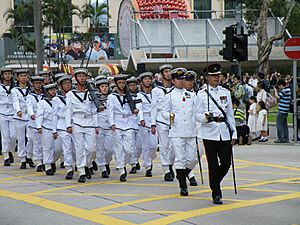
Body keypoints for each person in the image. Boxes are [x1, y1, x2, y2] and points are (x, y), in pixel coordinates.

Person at [196, 64, 237, 205]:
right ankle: (216, 193)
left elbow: (230, 114)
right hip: (209, 132)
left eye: (218, 75)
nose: (216, 78)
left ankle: (214, 183)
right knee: (213, 165)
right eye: (213, 76)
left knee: (226, 163)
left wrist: (234, 133)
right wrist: (205, 117)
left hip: (224, 132)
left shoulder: (225, 92)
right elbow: (197, 116)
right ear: (207, 77)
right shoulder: (201, 94)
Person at [162, 68, 198, 196]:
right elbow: (163, 113)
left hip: (191, 131)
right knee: (181, 159)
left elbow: (196, 111)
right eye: (178, 79)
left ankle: (182, 174)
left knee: (193, 158)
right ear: (173, 80)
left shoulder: (191, 95)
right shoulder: (169, 96)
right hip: (177, 131)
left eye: (183, 79)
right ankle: (183, 186)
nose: (181, 81)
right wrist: (169, 116)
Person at [65, 68, 99, 183]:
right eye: (79, 76)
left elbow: (95, 109)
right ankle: (81, 171)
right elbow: (68, 110)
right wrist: (68, 125)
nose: (82, 78)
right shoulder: (70, 94)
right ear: (75, 78)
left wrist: (97, 124)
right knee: (79, 148)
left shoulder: (91, 93)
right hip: (77, 121)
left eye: (84, 76)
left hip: (89, 122)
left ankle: (87, 164)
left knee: (91, 149)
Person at [107, 74, 140, 182]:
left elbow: (135, 108)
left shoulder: (129, 95)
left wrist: (135, 111)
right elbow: (110, 111)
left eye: (123, 83)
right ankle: (122, 169)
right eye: (119, 83)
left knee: (129, 150)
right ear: (116, 84)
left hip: (128, 123)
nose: (121, 85)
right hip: (117, 123)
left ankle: (123, 163)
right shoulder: (112, 97)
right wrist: (112, 123)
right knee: (119, 148)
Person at [151, 64, 175, 182]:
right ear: (161, 75)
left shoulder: (175, 89)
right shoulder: (156, 90)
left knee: (174, 146)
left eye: (170, 71)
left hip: (174, 121)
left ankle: (170, 163)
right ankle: (166, 169)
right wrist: (153, 123)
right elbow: (154, 107)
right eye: (165, 71)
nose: (168, 73)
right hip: (161, 120)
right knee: (164, 146)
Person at [52, 75, 76, 179]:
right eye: (65, 84)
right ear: (60, 86)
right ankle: (69, 168)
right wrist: (54, 130)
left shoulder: (75, 96)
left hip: (75, 123)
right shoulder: (56, 99)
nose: (67, 85)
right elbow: (54, 115)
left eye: (69, 83)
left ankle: (80, 166)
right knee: (67, 148)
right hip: (62, 125)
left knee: (76, 148)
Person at [137, 72, 158, 177]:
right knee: (145, 145)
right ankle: (148, 166)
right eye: (145, 79)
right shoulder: (139, 95)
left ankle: (150, 159)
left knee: (154, 145)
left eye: (149, 79)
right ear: (141, 82)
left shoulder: (155, 93)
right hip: (144, 120)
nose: (147, 81)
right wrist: (141, 119)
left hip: (154, 119)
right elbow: (139, 107)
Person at [11, 69, 33, 169]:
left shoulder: (31, 89)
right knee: (20, 139)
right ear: (17, 78)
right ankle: (23, 159)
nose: (24, 77)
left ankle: (29, 155)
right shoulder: (14, 90)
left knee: (31, 138)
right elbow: (15, 101)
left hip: (29, 117)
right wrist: (18, 110)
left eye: (25, 76)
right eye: (21, 76)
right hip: (19, 117)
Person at [36, 83, 58, 175]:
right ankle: (48, 165)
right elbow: (40, 115)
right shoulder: (42, 103)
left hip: (57, 127)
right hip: (46, 126)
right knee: (47, 147)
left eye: (54, 90)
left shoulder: (57, 101)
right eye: (51, 90)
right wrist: (39, 126)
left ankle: (53, 161)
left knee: (57, 148)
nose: (53, 92)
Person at [26, 76, 45, 171]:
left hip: (44, 123)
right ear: (33, 84)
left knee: (45, 144)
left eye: (40, 83)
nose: (38, 85)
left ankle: (45, 160)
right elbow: (29, 106)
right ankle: (38, 162)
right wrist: (32, 114)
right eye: (36, 83)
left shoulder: (45, 95)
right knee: (37, 143)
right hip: (34, 123)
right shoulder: (30, 96)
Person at [0, 68, 16, 166]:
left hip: (13, 112)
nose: (7, 76)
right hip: (2, 112)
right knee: (5, 136)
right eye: (5, 74)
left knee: (13, 136)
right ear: (2, 75)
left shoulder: (15, 87)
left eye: (9, 74)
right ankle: (6, 156)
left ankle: (9, 150)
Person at [275, 79, 292, 143]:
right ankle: (286, 138)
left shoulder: (284, 90)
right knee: (285, 125)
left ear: (281, 85)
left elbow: (277, 97)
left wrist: (275, 91)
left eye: (279, 85)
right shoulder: (289, 90)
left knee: (279, 125)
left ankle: (281, 138)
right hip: (286, 110)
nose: (279, 87)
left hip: (281, 110)